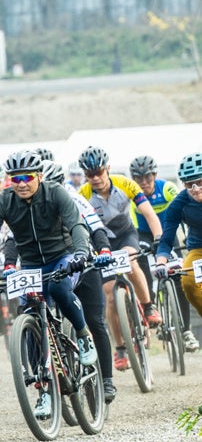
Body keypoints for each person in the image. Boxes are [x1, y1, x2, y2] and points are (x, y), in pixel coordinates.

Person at [0, 149, 117, 412]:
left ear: (38, 176)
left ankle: (82, 336)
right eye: (15, 179)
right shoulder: (5, 201)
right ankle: (43, 389)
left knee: (60, 288)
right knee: (28, 314)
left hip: (63, 256)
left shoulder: (55, 192)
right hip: (32, 265)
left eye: (26, 177)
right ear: (9, 181)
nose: (22, 183)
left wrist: (81, 254)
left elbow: (77, 226)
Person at [76, 145, 163, 367]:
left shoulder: (125, 183)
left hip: (125, 235)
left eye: (99, 172)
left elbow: (148, 213)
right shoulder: (82, 195)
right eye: (89, 175)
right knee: (110, 295)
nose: (95, 178)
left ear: (108, 169)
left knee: (130, 260)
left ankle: (148, 306)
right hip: (101, 244)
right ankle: (121, 348)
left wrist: (158, 238)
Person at [154, 153, 202, 350]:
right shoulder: (178, 204)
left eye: (199, 182)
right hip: (198, 248)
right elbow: (166, 239)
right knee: (188, 281)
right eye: (190, 185)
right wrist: (161, 262)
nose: (196, 189)